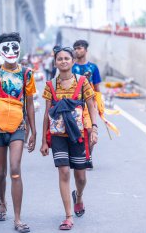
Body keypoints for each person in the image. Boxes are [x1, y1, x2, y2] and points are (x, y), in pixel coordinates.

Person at [0, 32, 36, 233]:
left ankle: (18, 219)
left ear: (20, 48)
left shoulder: (27, 74)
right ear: (0, 50)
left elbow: (29, 104)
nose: (11, 51)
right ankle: (2, 202)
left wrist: (33, 131)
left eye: (14, 47)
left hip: (17, 127)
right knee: (1, 173)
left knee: (15, 170)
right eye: (6, 48)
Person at [40, 46, 98, 231]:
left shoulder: (82, 82)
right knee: (64, 172)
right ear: (55, 62)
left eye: (67, 58)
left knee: (80, 177)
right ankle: (68, 216)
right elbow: (47, 114)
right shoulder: (50, 85)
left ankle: (78, 196)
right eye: (60, 59)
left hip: (78, 135)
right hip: (58, 136)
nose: (63, 61)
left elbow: (91, 106)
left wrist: (94, 129)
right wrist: (43, 141)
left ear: (72, 61)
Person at [72, 40, 102, 161]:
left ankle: (88, 156)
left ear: (86, 50)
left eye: (80, 48)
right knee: (76, 132)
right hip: (74, 104)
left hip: (89, 104)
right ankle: (77, 155)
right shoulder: (71, 67)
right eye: (75, 48)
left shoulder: (93, 67)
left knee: (90, 131)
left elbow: (97, 88)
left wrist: (99, 104)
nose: (77, 50)